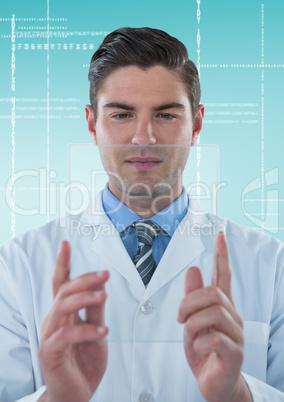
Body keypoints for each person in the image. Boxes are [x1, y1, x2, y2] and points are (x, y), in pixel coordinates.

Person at [0, 27, 284, 402]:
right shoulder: (16, 266)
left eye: (166, 115)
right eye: (122, 115)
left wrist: (237, 393)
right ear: (92, 124)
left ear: (196, 124)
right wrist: (57, 398)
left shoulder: (272, 264)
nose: (144, 137)